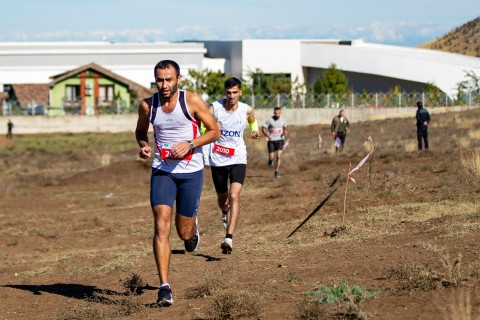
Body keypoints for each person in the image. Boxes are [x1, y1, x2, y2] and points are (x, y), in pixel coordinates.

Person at [135, 60, 220, 307]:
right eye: (159, 80)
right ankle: (164, 287)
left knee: (183, 233)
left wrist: (190, 144)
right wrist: (143, 145)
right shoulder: (147, 106)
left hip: (191, 172)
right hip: (163, 171)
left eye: (168, 79)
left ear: (178, 79)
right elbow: (141, 133)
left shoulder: (191, 101)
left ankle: (192, 228)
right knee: (161, 225)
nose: (164, 85)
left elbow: (214, 131)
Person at [204, 77, 260, 254]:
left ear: (240, 92)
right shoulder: (214, 108)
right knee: (223, 198)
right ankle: (224, 211)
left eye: (235, 92)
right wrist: (211, 127)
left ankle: (229, 237)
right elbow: (199, 127)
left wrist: (254, 130)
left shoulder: (246, 109)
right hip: (218, 159)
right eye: (228, 93)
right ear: (224, 93)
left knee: (234, 195)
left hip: (237, 157)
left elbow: (252, 120)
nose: (231, 96)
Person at [262, 107, 288, 178]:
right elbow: (263, 129)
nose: (277, 115)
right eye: (276, 113)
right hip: (271, 141)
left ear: (280, 113)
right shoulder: (269, 120)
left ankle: (276, 172)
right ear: (274, 113)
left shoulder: (283, 120)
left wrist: (285, 132)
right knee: (272, 157)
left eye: (278, 113)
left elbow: (285, 129)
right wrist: (267, 135)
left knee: (279, 156)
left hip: (280, 140)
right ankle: (270, 161)